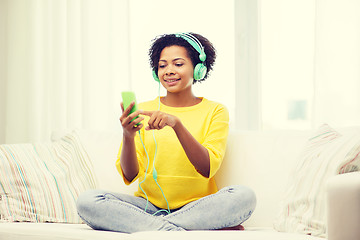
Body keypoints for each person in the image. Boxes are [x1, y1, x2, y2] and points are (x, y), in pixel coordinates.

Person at [76, 32, 256, 233]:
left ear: (198, 69)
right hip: (147, 209)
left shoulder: (215, 111)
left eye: (178, 64)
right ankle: (176, 230)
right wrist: (128, 136)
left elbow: (207, 167)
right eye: (162, 65)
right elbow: (130, 174)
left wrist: (177, 125)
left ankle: (156, 230)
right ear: (156, 72)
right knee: (88, 201)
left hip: (196, 207)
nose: (169, 71)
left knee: (244, 197)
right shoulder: (143, 109)